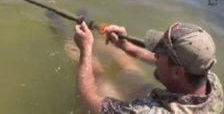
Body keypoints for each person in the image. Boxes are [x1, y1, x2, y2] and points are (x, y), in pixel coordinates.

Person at [73, 21, 224, 113]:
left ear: (177, 72)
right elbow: (169, 62)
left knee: (101, 79)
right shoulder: (209, 80)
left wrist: (85, 50)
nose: (155, 55)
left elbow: (88, 99)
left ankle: (75, 46)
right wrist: (127, 47)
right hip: (170, 98)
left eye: (160, 54)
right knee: (125, 63)